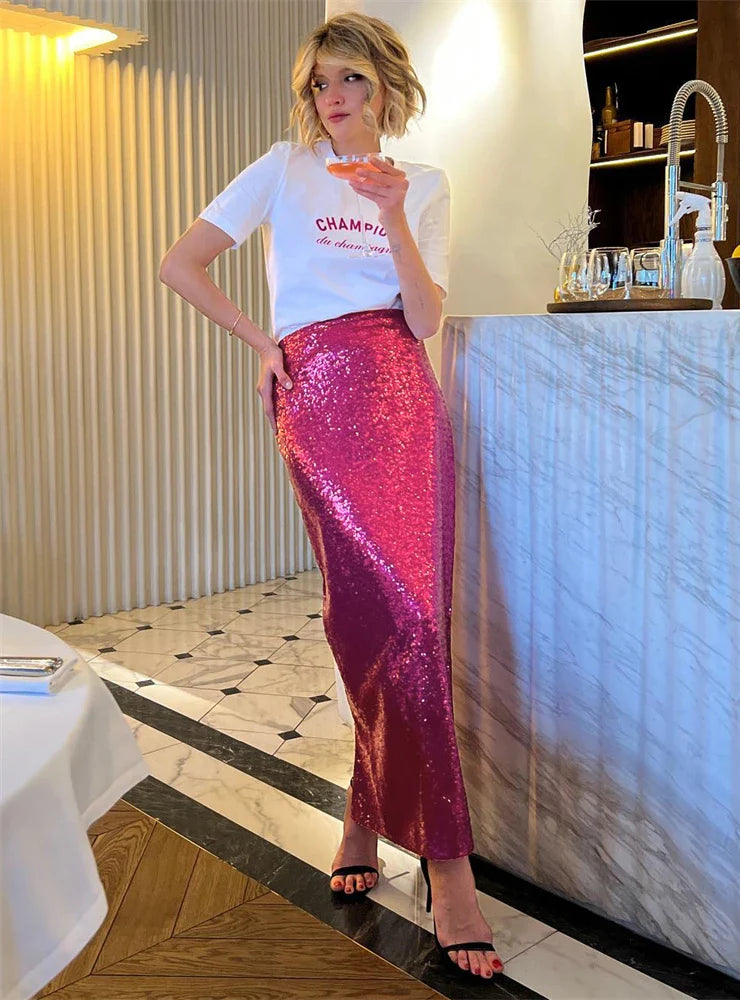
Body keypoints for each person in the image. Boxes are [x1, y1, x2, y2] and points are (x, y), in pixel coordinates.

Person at [158, 11, 503, 982]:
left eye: (349, 77)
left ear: (385, 83)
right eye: (319, 83)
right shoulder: (284, 167)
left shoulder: (423, 182)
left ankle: (375, 818)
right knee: (368, 610)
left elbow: (425, 318)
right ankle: (447, 864)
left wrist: (393, 212)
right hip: (316, 394)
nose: (333, 97)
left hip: (401, 390)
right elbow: (180, 263)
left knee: (412, 617)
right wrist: (265, 343)